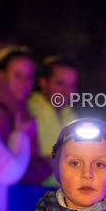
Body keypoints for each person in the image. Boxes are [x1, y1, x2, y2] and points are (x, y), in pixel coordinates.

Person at [0, 46, 49, 183]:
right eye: (18, 75)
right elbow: (3, 171)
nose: (24, 83)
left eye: (29, 77)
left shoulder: (21, 109)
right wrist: (49, 165)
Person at [28, 56, 80, 186]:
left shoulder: (73, 117)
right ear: (43, 82)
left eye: (72, 85)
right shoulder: (29, 110)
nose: (66, 91)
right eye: (60, 83)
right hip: (34, 192)